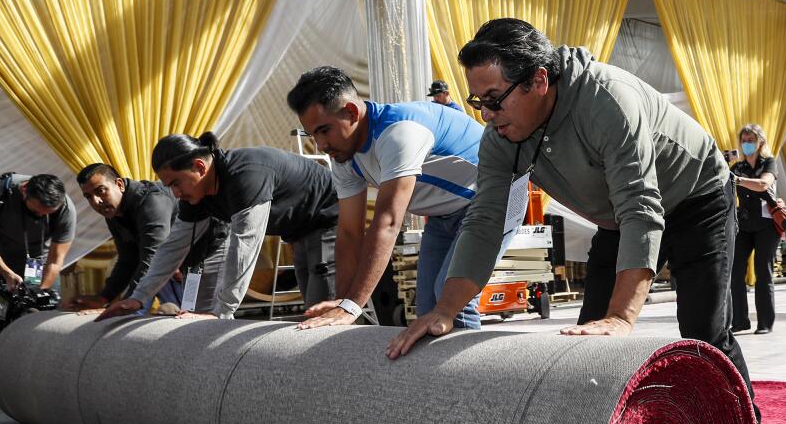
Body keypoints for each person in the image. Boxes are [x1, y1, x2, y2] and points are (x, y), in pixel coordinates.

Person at [386, 18, 765, 424]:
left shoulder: (607, 102)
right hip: (618, 215)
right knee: (588, 340)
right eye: (477, 102)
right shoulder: (505, 134)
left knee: (704, 331)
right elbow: (485, 220)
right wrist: (445, 310)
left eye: (493, 100)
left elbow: (641, 208)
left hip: (695, 196)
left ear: (539, 81)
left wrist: (623, 317)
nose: (485, 116)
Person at [287, 66, 521, 330]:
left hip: (496, 198)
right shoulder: (344, 155)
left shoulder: (399, 132)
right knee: (427, 311)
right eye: (313, 134)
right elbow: (350, 233)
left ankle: (470, 372)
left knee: (452, 304)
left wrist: (352, 306)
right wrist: (343, 301)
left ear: (351, 112)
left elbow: (387, 222)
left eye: (324, 130)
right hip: (447, 214)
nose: (320, 145)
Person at [96, 133, 339, 321]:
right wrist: (139, 297)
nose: (175, 193)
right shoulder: (196, 195)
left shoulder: (245, 175)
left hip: (329, 217)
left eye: (176, 183)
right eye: (169, 186)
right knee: (312, 309)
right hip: (298, 231)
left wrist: (221, 312)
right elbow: (172, 248)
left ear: (200, 167)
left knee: (321, 312)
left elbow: (244, 246)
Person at [0, 173, 75, 412]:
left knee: (45, 317)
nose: (41, 216)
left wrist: (39, 293)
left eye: (47, 214)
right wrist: (7, 273)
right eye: (38, 210)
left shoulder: (65, 208)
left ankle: (46, 385)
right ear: (25, 190)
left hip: (37, 262)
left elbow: (56, 259)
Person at [66, 163, 228, 312]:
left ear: (119, 185)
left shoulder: (152, 201)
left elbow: (153, 257)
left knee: (202, 317)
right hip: (172, 265)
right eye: (88, 196)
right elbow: (128, 259)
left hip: (209, 251)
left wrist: (128, 301)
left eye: (100, 190)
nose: (96, 201)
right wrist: (104, 298)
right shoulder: (113, 212)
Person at [729, 124, 779, 335]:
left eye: (751, 140)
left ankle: (765, 322)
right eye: (744, 140)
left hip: (767, 225)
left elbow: (763, 184)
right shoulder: (737, 167)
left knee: (762, 271)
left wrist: (738, 180)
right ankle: (740, 320)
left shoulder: (768, 163)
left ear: (760, 142)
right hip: (745, 223)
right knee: (735, 271)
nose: (746, 144)